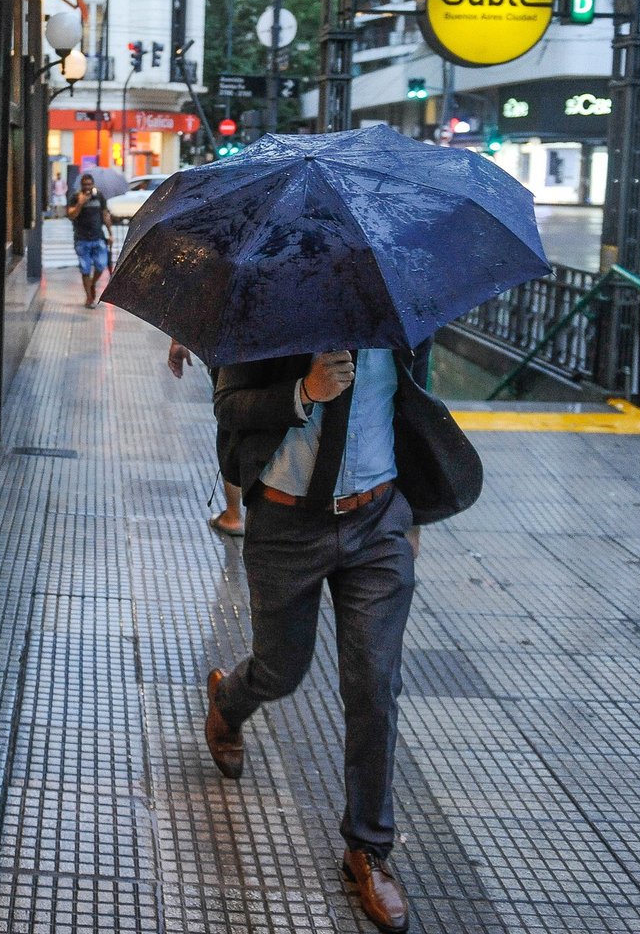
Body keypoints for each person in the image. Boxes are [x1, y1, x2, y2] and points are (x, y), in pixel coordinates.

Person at [204, 344, 437, 934]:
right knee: (283, 667)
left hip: (377, 521)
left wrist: (411, 516)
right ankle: (229, 700)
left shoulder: (401, 317)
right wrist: (304, 392)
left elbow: (413, 406)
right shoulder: (275, 312)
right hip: (286, 523)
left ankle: (368, 849)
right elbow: (229, 406)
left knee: (374, 684)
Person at [167, 339, 243, 535]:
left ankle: (234, 515)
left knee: (231, 424)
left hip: (235, 351)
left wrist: (179, 341)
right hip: (292, 360)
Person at [65, 172, 112, 309]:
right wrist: (80, 203)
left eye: (89, 184)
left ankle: (92, 283)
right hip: (82, 238)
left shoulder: (99, 196)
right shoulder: (75, 197)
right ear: (81, 185)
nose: (87, 187)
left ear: (93, 185)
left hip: (98, 236)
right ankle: (89, 298)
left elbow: (105, 214)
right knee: (85, 268)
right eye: (85, 185)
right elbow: (71, 215)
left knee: (101, 265)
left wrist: (110, 234)